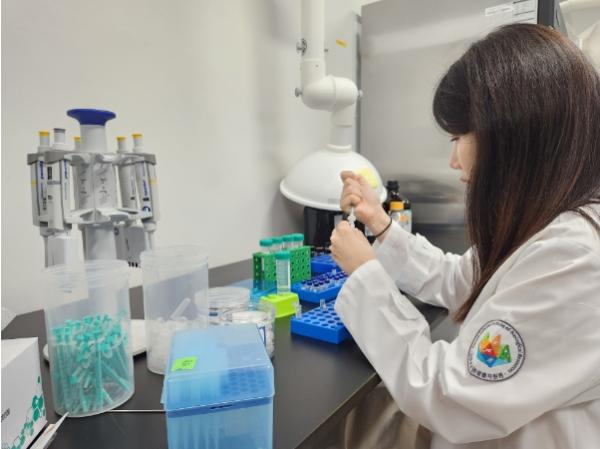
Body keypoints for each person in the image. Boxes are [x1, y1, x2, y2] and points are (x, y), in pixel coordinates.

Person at [329, 24, 600, 449]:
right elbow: (459, 278)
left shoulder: (576, 257)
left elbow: (448, 396)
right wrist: (380, 224)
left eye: (458, 137)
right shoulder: (547, 222)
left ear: (513, 137)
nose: (453, 160)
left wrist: (366, 275)